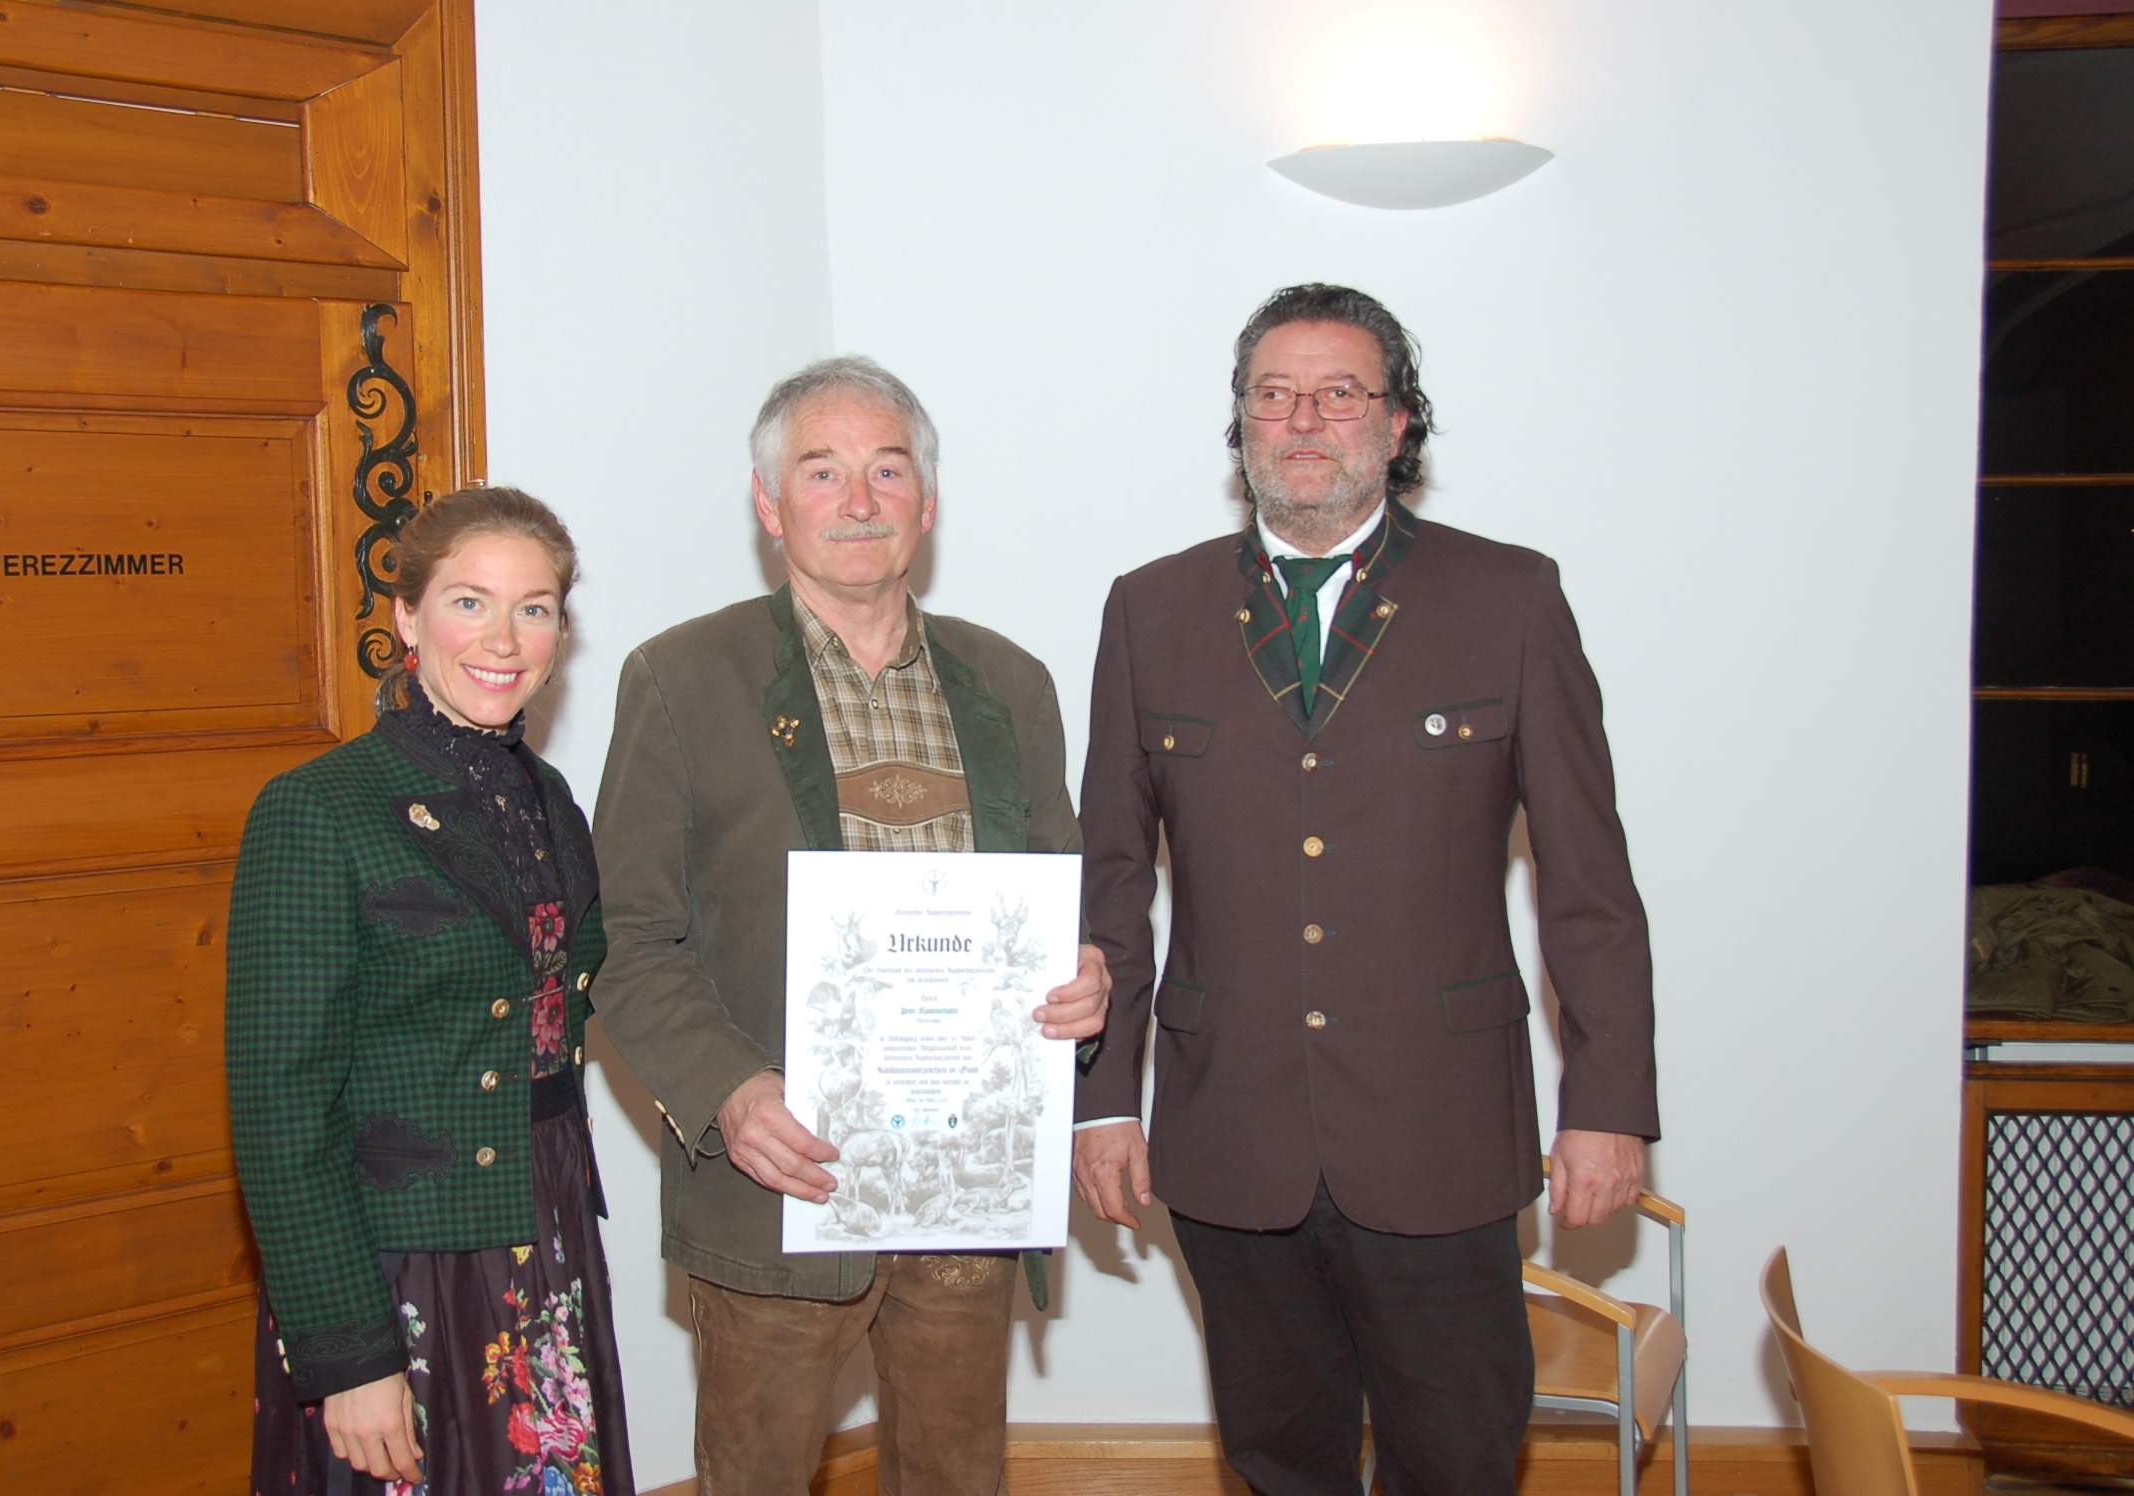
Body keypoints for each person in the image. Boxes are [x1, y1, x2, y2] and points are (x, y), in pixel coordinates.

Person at [1071, 284, 1658, 1496]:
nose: (1303, 420)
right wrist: (1100, 1099)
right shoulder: (1149, 609)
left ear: (1397, 424)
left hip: (1441, 1132)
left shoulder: (1511, 598)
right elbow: (1111, 880)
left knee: (1458, 1463)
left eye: (1339, 392)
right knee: (1280, 1462)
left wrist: (1607, 1101)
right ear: (1240, 425)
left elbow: (1589, 879)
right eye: (1273, 394)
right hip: (1229, 1134)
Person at [588, 356, 1110, 1496]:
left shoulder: (1009, 682)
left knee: (956, 1478)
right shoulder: (681, 678)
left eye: (889, 469)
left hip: (965, 1192)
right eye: (822, 472)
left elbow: (1056, 894)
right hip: (780, 1180)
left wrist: (1082, 977)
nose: (860, 500)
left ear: (929, 500)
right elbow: (627, 935)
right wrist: (730, 1090)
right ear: (770, 505)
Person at [227, 486, 635, 1493]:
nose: (503, 638)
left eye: (534, 608)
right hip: (400, 1265)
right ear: (408, 618)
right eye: (469, 602)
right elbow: (280, 1109)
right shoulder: (317, 808)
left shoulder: (548, 798)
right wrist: (347, 1353)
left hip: (543, 1233)